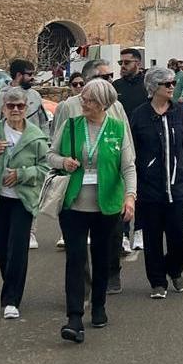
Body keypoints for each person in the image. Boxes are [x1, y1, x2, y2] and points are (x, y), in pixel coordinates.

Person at [48, 80, 138, 343]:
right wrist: (63, 161)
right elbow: (50, 155)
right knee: (75, 259)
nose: (82, 102)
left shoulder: (117, 128)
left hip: (106, 204)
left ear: (102, 104)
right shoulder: (71, 126)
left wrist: (130, 197)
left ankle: (99, 306)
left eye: (88, 99)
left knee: (102, 257)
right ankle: (74, 317)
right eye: (83, 98)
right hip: (73, 204)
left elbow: (128, 167)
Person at [53, 59, 136, 290]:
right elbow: (55, 144)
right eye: (104, 77)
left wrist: (129, 191)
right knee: (77, 250)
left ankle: (111, 274)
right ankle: (84, 288)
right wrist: (63, 161)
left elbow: (125, 142)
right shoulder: (68, 107)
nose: (110, 81)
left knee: (111, 239)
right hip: (76, 191)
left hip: (109, 185)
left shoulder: (114, 105)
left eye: (110, 77)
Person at [0, 87, 50, 320]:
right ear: (3, 108)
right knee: (3, 248)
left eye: (20, 106)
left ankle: (11, 299)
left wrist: (22, 174)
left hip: (22, 201)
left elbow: (46, 167)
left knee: (18, 250)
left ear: (27, 108)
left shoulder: (35, 136)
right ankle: (11, 286)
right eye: (11, 106)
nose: (15, 110)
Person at [130, 67, 183, 298]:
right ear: (154, 88)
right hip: (149, 187)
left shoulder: (180, 112)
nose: (172, 87)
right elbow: (130, 151)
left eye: (173, 83)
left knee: (177, 236)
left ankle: (175, 269)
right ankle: (157, 281)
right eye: (167, 84)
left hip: (176, 185)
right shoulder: (139, 115)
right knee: (152, 237)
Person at [113, 47, 148, 252]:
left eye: (126, 63)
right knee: (122, 190)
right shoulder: (115, 87)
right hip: (120, 144)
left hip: (143, 145)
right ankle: (124, 233)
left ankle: (140, 231)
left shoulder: (147, 86)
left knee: (141, 190)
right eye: (121, 63)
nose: (123, 66)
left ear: (138, 63)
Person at [0, 58, 51, 133]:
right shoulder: (2, 97)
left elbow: (44, 123)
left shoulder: (35, 95)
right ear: (19, 75)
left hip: (33, 142)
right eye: (29, 74)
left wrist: (45, 141)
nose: (32, 78)